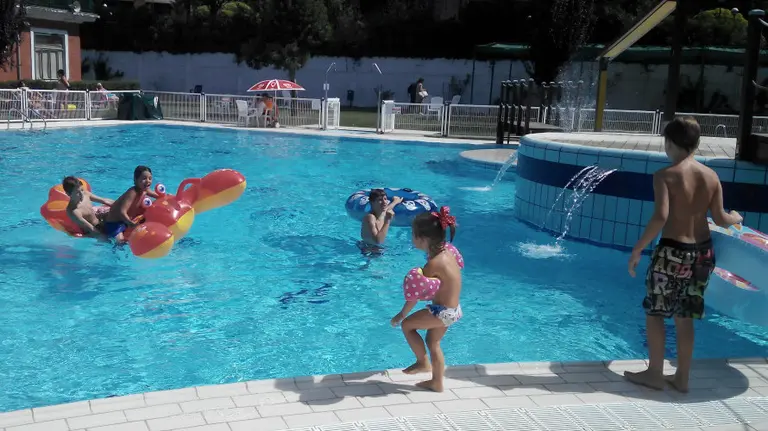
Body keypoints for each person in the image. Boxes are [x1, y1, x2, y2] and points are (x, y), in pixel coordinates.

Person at [625, 117, 743, 393]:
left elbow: (661, 216)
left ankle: (655, 373)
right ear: (697, 144)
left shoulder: (665, 176)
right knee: (685, 316)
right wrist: (736, 217)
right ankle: (682, 378)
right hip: (702, 254)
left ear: (668, 143)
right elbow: (721, 218)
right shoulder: (711, 176)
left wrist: (638, 247)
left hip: (672, 253)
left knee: (655, 312)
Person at [390, 207, 463, 393]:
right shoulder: (448, 252)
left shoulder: (432, 264)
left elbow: (415, 297)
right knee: (433, 342)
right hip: (454, 311)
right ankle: (437, 382)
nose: (412, 239)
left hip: (442, 312)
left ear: (423, 239)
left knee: (407, 325)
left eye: (413, 235)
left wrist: (401, 314)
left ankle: (422, 362)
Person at [103, 166, 160, 241]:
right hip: (115, 223)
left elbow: (159, 197)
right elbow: (122, 212)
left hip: (127, 220)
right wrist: (132, 224)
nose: (148, 181)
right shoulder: (132, 192)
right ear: (135, 180)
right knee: (120, 242)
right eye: (144, 178)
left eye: (150, 178)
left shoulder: (145, 190)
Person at [62, 176, 114, 240]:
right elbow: (91, 229)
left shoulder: (85, 194)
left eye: (82, 190)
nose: (81, 194)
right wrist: (104, 238)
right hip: (93, 229)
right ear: (68, 194)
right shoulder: (73, 211)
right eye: (77, 193)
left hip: (99, 220)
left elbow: (104, 200)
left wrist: (118, 205)